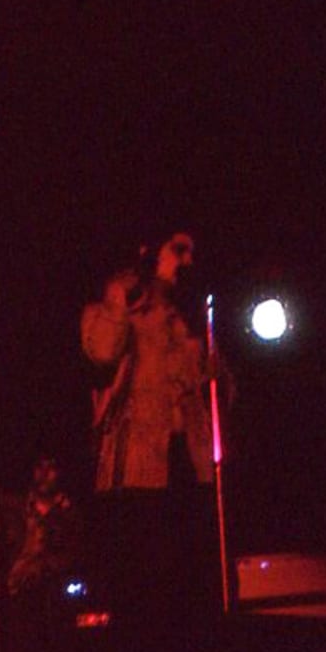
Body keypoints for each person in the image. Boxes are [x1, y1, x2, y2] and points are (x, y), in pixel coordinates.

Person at [80, 228, 230, 624]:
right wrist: (118, 297)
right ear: (150, 254)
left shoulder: (195, 319)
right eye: (178, 250)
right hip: (136, 470)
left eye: (191, 252)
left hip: (191, 467)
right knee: (143, 584)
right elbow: (102, 353)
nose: (188, 261)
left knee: (192, 582)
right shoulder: (110, 311)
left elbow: (224, 395)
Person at [0, 455, 82, 652]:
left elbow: (76, 553)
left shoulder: (70, 513)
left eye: (51, 468)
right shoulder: (13, 507)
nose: (44, 474)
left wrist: (44, 568)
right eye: (39, 467)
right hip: (10, 590)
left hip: (48, 591)